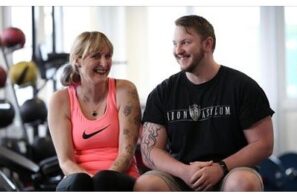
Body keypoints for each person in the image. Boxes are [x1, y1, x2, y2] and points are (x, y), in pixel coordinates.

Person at [134, 15, 274, 191]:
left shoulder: (242, 87)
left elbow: (263, 144)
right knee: (147, 183)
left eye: (185, 42)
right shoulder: (163, 92)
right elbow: (149, 151)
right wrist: (184, 171)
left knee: (242, 181)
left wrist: (220, 167)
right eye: (174, 43)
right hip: (181, 174)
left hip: (231, 171)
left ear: (207, 44)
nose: (178, 50)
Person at [48, 31, 141, 191]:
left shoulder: (125, 90)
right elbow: (65, 161)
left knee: (105, 180)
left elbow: (126, 154)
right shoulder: (60, 100)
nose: (104, 63)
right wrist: (91, 182)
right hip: (77, 180)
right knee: (79, 181)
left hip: (118, 177)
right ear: (77, 61)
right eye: (96, 56)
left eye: (108, 56)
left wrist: (99, 183)